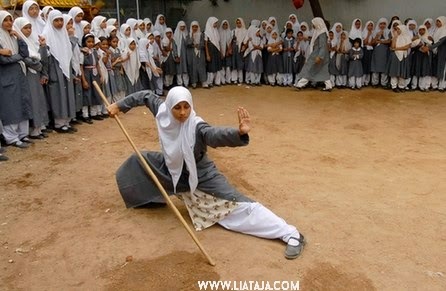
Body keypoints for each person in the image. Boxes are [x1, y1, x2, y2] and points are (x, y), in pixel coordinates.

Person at [107, 86, 306, 260]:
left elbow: (213, 135)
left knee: (238, 205)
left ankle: (291, 234)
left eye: (187, 107)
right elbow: (144, 95)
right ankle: (150, 199)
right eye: (178, 107)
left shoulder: (197, 127)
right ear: (169, 106)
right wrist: (119, 106)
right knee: (139, 161)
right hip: (171, 168)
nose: (183, 113)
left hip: (200, 175)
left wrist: (239, 133)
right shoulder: (161, 110)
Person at [0, 11, 33, 148]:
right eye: (6, 20)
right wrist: (18, 56)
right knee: (11, 106)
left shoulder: (13, 36)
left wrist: (19, 38)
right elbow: (3, 60)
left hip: (19, 74)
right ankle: (11, 138)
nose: (9, 22)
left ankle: (22, 134)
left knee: (22, 103)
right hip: (7, 76)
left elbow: (25, 53)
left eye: (10, 19)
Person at [13, 17, 49, 139]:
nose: (28, 30)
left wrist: (43, 46)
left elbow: (43, 58)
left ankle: (39, 128)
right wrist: (38, 65)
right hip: (27, 74)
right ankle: (33, 129)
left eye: (30, 28)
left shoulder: (33, 41)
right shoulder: (18, 42)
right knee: (32, 101)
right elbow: (24, 57)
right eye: (25, 28)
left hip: (36, 75)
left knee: (39, 100)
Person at [295, 17, 332, 91]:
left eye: (314, 23)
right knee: (323, 70)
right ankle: (329, 86)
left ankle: (300, 84)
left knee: (309, 68)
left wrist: (320, 57)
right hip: (320, 55)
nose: (313, 25)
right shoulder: (319, 32)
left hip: (318, 55)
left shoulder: (322, 33)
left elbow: (322, 46)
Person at [186, 21, 209, 89]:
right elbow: (188, 44)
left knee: (202, 67)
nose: (195, 28)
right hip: (192, 53)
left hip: (200, 52)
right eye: (193, 27)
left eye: (196, 27)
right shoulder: (189, 35)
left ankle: (203, 82)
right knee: (193, 67)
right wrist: (192, 36)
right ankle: (194, 82)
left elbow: (203, 44)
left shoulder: (201, 34)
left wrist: (199, 46)